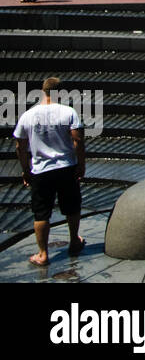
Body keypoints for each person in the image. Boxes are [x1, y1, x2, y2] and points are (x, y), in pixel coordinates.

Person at [12, 76, 86, 266]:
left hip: (40, 170)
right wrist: (81, 164)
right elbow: (78, 141)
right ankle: (74, 242)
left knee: (41, 213)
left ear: (42, 91)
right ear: (60, 92)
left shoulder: (28, 115)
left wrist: (25, 170)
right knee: (71, 207)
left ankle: (43, 254)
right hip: (66, 167)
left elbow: (20, 146)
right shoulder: (68, 112)